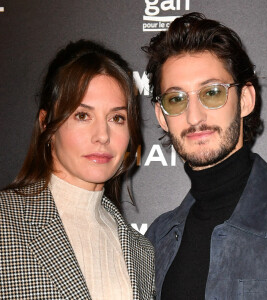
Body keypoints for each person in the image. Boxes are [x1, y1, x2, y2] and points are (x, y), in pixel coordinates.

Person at [143, 12, 267, 300]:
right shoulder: (157, 238)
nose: (194, 116)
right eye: (176, 99)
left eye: (212, 93)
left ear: (245, 100)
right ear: (162, 117)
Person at [0, 40, 155, 300]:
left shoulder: (143, 252)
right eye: (83, 115)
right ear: (46, 124)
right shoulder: (5, 223)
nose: (102, 136)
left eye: (117, 118)